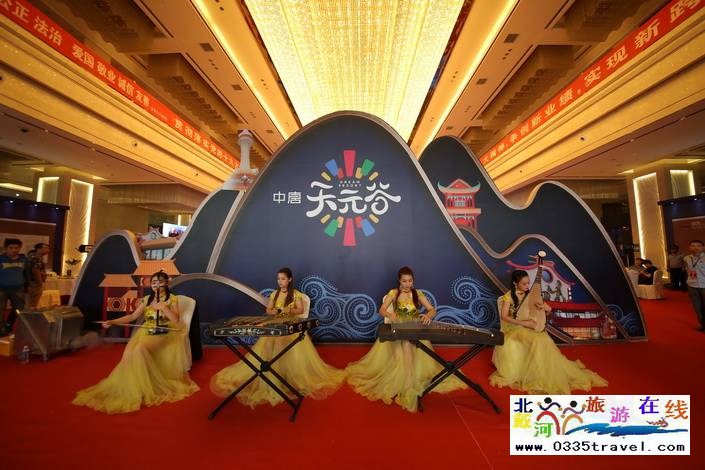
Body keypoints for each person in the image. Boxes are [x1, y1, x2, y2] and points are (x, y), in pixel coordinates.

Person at [211, 267, 344, 407]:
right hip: (276, 324)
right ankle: (273, 373)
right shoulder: (274, 294)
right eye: (278, 279)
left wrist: (290, 309)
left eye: (283, 279)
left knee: (287, 344)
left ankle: (291, 376)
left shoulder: (296, 294)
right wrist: (273, 311)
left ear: (289, 279)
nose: (280, 281)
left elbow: (301, 310)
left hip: (290, 324)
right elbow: (268, 309)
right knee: (269, 344)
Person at [73, 271, 198, 413]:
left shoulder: (172, 299)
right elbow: (132, 316)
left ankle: (146, 387)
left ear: (166, 283)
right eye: (154, 282)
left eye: (160, 282)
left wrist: (164, 308)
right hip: (146, 330)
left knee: (140, 349)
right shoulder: (146, 299)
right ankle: (132, 386)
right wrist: (112, 321)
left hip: (164, 330)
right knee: (129, 353)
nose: (157, 285)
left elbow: (176, 320)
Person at [345, 266, 466, 412]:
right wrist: (390, 315)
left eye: (410, 281)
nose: (407, 284)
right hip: (398, 328)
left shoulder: (417, 293)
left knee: (409, 348)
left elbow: (432, 310)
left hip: (414, 328)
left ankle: (408, 384)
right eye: (404, 281)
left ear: (413, 281)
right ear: (399, 281)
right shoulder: (394, 293)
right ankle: (406, 384)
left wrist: (428, 316)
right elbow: (382, 309)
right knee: (403, 350)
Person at [489, 270, 607, 394]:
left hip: (529, 327)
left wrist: (547, 309)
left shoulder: (531, 294)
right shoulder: (509, 296)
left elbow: (545, 313)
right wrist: (521, 323)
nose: (527, 286)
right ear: (515, 283)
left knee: (544, 339)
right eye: (524, 284)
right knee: (537, 340)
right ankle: (536, 376)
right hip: (514, 329)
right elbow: (504, 316)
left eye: (528, 283)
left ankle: (546, 373)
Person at [0, 238, 27, 336]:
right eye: (11, 248)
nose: (14, 250)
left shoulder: (24, 260)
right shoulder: (1, 259)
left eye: (16, 248)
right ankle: (1, 330)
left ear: (20, 248)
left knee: (19, 310)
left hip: (18, 289)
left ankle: (10, 325)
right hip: (1, 289)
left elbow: (27, 273)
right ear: (6, 248)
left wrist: (27, 285)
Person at [683, 240, 705, 332]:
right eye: (693, 246)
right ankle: (702, 324)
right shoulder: (686, 258)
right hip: (692, 285)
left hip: (704, 284)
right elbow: (687, 270)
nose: (696, 248)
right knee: (697, 306)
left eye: (698, 246)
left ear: (703, 247)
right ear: (689, 248)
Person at [27, 243, 49, 309]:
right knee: (32, 304)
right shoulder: (36, 257)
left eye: (48, 248)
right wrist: (40, 282)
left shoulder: (36, 257)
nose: (48, 250)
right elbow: (35, 271)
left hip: (33, 282)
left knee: (31, 303)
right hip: (34, 283)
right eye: (45, 248)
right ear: (38, 249)